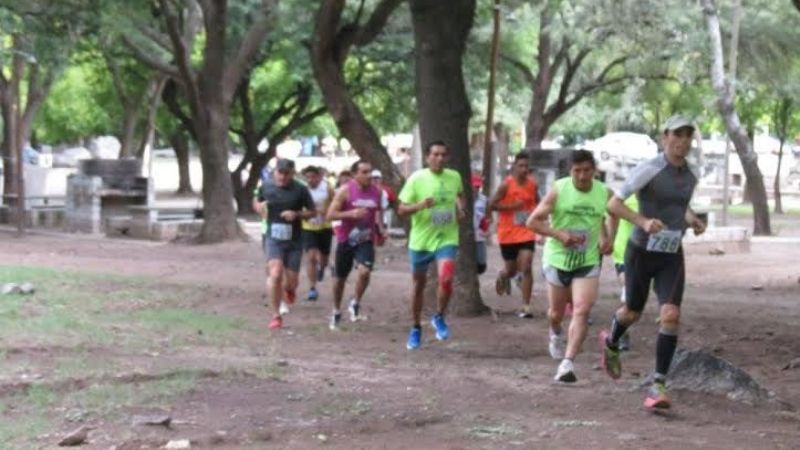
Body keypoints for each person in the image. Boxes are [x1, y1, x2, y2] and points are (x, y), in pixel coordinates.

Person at [599, 115, 706, 410]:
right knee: (632, 311)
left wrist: (692, 219)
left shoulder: (691, 175)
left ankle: (658, 385)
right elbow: (613, 204)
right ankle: (611, 341)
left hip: (671, 254)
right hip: (640, 252)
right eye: (677, 134)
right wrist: (642, 221)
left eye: (688, 135)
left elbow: (679, 209)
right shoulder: (649, 169)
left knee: (670, 315)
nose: (682, 141)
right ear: (665, 137)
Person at [527, 150, 614, 383]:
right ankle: (555, 332)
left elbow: (612, 213)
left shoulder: (603, 192)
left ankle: (567, 363)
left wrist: (609, 238)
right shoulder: (559, 190)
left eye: (587, 170)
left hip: (587, 260)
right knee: (556, 313)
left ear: (594, 170)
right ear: (570, 171)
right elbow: (532, 222)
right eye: (577, 171)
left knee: (581, 309)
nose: (583, 176)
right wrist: (558, 234)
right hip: (558, 259)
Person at [397, 141, 465, 350]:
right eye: (435, 154)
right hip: (421, 240)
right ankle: (416, 327)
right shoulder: (416, 178)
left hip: (447, 236)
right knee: (419, 285)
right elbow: (401, 209)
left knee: (446, 277)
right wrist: (420, 205)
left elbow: (459, 196)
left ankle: (439, 316)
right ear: (427, 157)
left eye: (443, 155)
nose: (439, 158)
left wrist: (460, 209)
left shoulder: (454, 177)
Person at [253, 159, 316, 330]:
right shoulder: (266, 186)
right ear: (275, 172)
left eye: (286, 173)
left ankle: (290, 290)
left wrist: (296, 214)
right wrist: (259, 208)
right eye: (280, 172)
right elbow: (257, 201)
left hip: (294, 239)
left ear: (292, 173)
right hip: (273, 237)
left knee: (291, 282)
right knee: (275, 273)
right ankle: (276, 316)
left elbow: (312, 212)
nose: (282, 176)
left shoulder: (301, 189)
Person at [325, 160, 386, 330]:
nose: (368, 176)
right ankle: (336, 310)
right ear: (354, 174)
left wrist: (381, 229)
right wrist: (350, 213)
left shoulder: (377, 192)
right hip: (346, 240)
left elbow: (377, 213)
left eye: (370, 172)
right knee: (340, 279)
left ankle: (355, 302)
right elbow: (330, 215)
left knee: (365, 271)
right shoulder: (345, 191)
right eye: (364, 172)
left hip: (365, 239)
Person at [489, 153, 539, 318]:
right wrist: (512, 206)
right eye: (521, 166)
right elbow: (492, 205)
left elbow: (538, 203)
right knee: (511, 270)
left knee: (526, 266)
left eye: (527, 166)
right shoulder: (506, 185)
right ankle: (504, 274)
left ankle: (526, 306)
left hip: (526, 231)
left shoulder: (533, 185)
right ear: (514, 167)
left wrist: (541, 217)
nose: (524, 169)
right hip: (508, 233)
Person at [300, 166, 334, 301]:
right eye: (307, 177)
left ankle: (323, 268)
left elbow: (336, 203)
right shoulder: (302, 190)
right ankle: (312, 288)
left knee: (323, 257)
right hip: (308, 227)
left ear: (319, 177)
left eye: (313, 177)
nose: (310, 180)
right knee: (311, 257)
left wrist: (328, 212)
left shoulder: (327, 188)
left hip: (325, 227)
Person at [611, 194, 639, 351]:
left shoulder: (660, 198)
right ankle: (621, 332)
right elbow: (611, 213)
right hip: (624, 254)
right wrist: (609, 238)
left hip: (647, 255)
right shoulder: (627, 197)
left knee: (633, 302)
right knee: (628, 288)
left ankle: (621, 324)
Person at [472, 173, 490, 275]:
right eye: (474, 186)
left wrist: (486, 230)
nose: (476, 188)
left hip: (479, 235)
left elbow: (487, 217)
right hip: (466, 236)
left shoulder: (484, 200)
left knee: (481, 265)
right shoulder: (462, 199)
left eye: (478, 186)